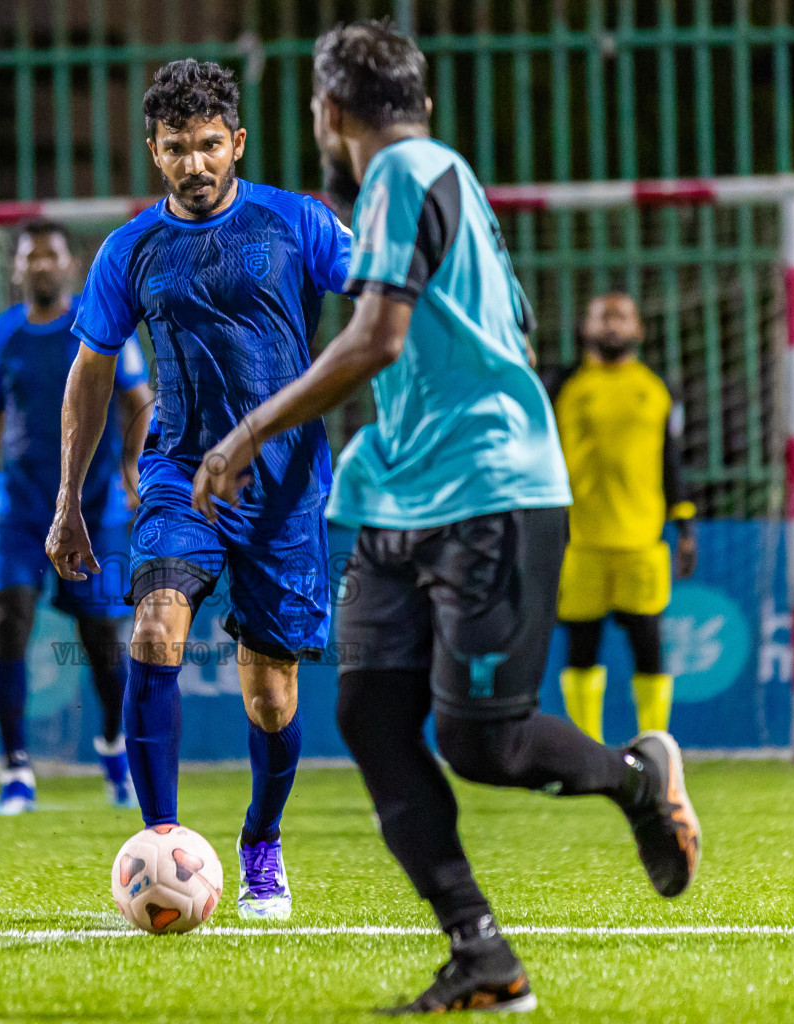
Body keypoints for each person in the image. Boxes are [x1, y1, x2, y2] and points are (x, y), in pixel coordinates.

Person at [191, 21, 700, 1011]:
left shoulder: (403, 173)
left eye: (311, 105)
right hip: (399, 490)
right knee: (370, 713)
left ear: (330, 111)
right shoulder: (430, 175)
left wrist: (249, 428)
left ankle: (639, 778)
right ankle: (484, 956)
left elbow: (377, 338)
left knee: (483, 741)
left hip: (490, 491)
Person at [47, 59, 351, 920]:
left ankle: (261, 843)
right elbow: (90, 375)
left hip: (286, 486)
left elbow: (378, 308)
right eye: (176, 147)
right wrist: (71, 500)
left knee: (270, 693)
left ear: (238, 142)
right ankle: (162, 844)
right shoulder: (129, 250)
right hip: (179, 473)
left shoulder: (299, 224)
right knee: (153, 629)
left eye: (209, 144)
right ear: (154, 150)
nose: (194, 163)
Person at [0, 218, 153, 814]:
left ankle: (116, 747)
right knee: (9, 616)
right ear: (14, 269)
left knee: (100, 637)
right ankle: (16, 771)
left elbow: (139, 398)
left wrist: (134, 466)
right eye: (30, 256)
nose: (41, 265)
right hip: (19, 504)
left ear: (69, 265)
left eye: (52, 255)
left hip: (94, 503)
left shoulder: (102, 321)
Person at [548, 293, 697, 742]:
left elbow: (671, 462)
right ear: (584, 327)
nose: (612, 324)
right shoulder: (560, 385)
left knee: (649, 648)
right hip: (578, 543)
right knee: (581, 648)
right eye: (603, 316)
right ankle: (585, 751)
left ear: (639, 330)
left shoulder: (656, 388)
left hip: (641, 542)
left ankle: (656, 749)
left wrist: (685, 526)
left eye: (622, 316)